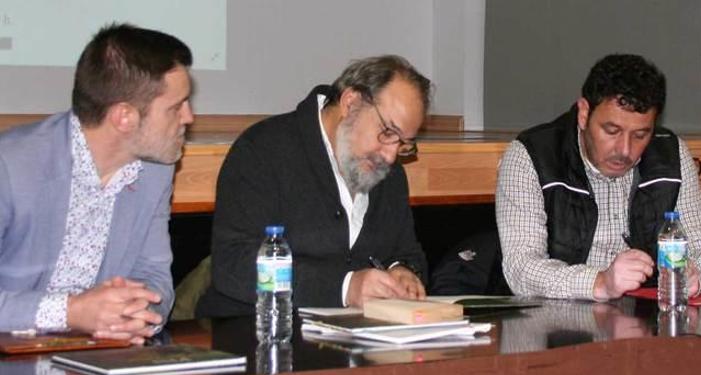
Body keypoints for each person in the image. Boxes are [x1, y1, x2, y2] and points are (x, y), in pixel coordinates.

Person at [0, 24, 193, 342]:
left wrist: (133, 314)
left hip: (98, 356)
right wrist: (70, 311)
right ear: (124, 117)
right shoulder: (12, 166)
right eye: (176, 107)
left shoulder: (155, 170)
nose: (188, 117)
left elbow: (154, 274)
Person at [197, 55, 430, 316]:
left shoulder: (389, 172)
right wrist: (344, 287)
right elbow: (233, 266)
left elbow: (407, 251)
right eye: (388, 132)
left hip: (360, 338)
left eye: (404, 144)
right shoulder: (263, 150)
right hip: (255, 333)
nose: (390, 155)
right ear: (351, 103)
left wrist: (403, 271)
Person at [496, 54, 701, 301]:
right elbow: (521, 267)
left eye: (640, 135)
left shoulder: (671, 155)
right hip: (555, 325)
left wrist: (695, 275)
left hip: (647, 321)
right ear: (584, 114)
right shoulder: (532, 156)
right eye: (611, 131)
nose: (624, 150)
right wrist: (600, 282)